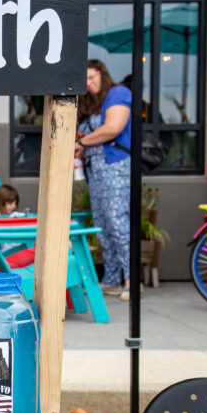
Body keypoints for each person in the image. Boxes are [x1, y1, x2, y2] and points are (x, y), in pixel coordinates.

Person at [75, 60, 132, 300]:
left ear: (102, 73)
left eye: (91, 77)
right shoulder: (91, 105)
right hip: (95, 171)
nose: (88, 84)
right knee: (103, 224)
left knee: (117, 222)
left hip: (114, 167)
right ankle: (111, 280)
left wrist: (81, 142)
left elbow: (113, 128)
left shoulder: (119, 93)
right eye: (84, 81)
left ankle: (131, 280)